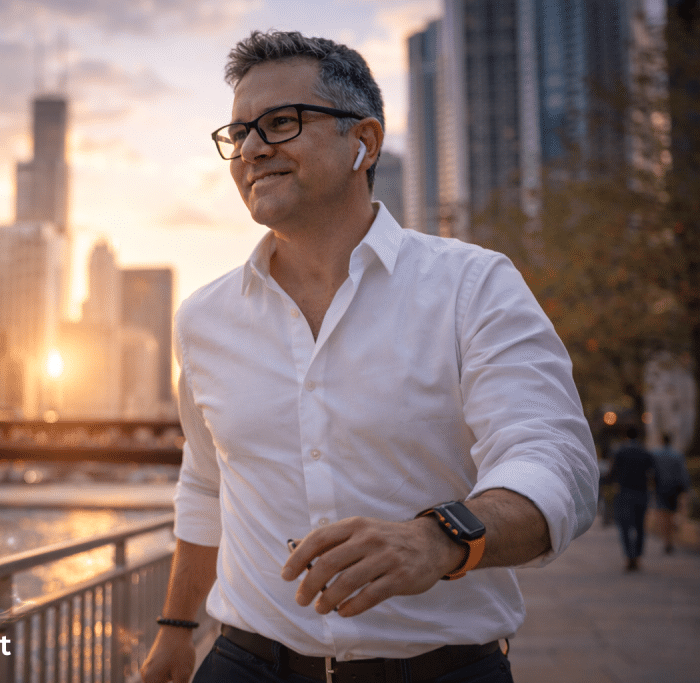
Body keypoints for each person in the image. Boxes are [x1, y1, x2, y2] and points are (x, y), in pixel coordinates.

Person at [140, 30, 599, 683]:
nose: (250, 149)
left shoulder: (474, 286)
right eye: (238, 133)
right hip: (245, 661)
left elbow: (560, 464)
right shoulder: (205, 319)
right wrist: (177, 630)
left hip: (440, 669)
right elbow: (206, 482)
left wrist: (439, 539)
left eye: (280, 123)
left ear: (366, 141)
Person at [608, 426, 654, 571]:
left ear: (625, 435)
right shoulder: (645, 452)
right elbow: (652, 472)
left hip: (624, 492)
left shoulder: (620, 451)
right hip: (641, 492)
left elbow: (612, 472)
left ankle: (629, 556)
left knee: (625, 526)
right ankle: (638, 556)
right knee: (640, 526)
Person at [651, 433, 690, 554]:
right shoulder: (677, 454)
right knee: (672, 514)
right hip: (674, 488)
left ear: (662, 440)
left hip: (661, 488)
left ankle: (667, 541)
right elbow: (683, 473)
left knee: (663, 515)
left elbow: (652, 472)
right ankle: (670, 540)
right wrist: (685, 488)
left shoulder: (656, 454)